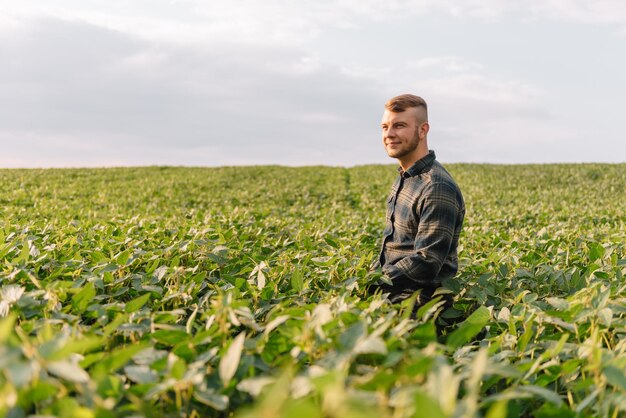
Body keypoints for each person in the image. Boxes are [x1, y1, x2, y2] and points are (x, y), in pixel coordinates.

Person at [370, 94, 465, 309]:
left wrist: (372, 283)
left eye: (399, 126)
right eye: (385, 127)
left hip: (419, 306)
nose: (389, 134)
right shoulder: (405, 178)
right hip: (391, 293)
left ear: (423, 130)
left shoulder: (436, 187)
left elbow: (427, 261)